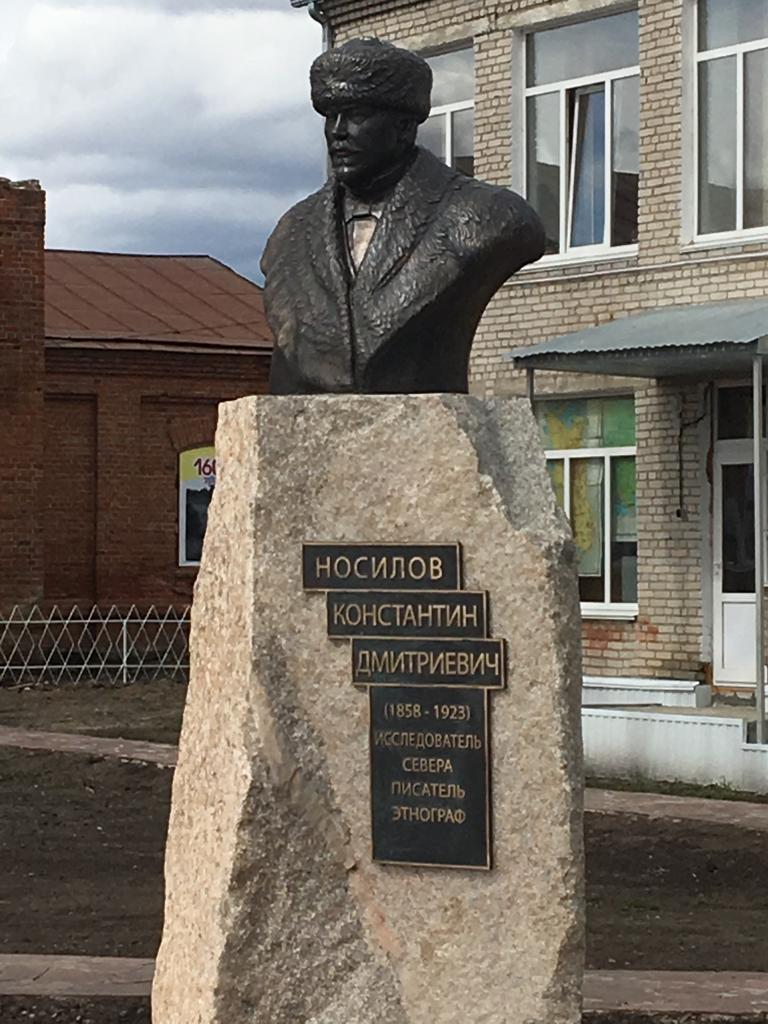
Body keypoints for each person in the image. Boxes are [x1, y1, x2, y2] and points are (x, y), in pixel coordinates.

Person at [262, 38, 545, 395]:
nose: (337, 131)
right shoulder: (291, 234)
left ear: (404, 127)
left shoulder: (486, 217)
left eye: (357, 115)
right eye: (331, 116)